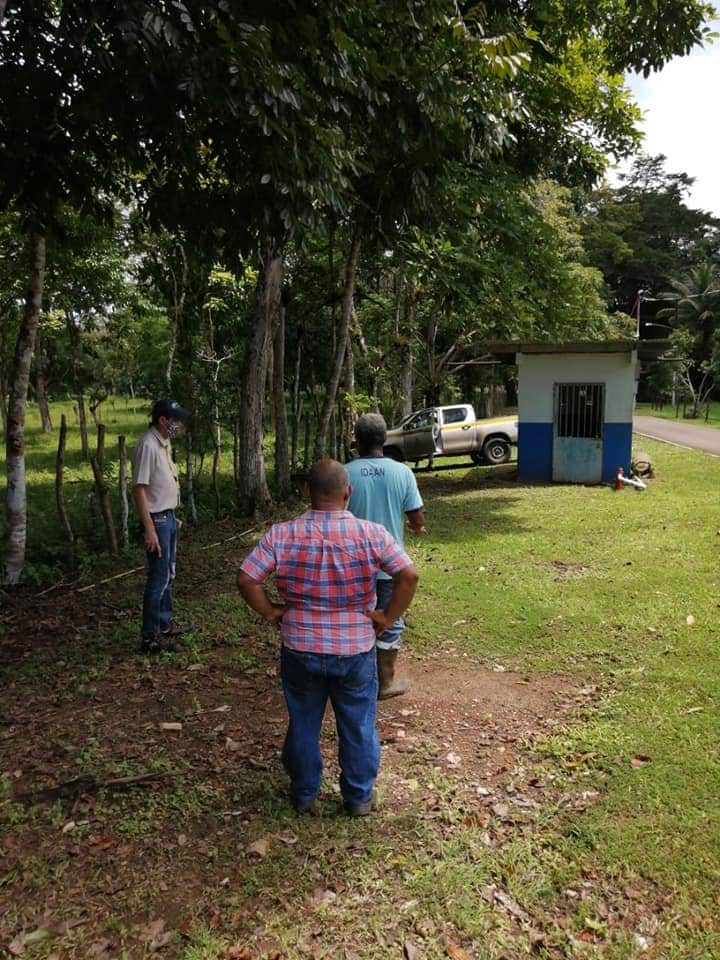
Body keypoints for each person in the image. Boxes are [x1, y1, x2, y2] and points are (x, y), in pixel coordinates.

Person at [237, 459, 419, 816]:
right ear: (348, 492)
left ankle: (304, 792)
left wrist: (270, 611)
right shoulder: (372, 533)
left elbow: (247, 579)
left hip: (300, 646)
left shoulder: (281, 534)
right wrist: (387, 617)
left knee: (303, 720)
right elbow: (408, 576)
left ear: (308, 491)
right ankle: (358, 797)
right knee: (358, 723)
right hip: (355, 649)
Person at [346, 413, 426, 699]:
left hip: (351, 567)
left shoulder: (344, 473)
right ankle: (385, 683)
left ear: (357, 440)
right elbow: (416, 515)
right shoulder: (402, 472)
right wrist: (417, 526)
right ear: (384, 439)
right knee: (389, 621)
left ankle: (351, 680)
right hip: (390, 567)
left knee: (354, 619)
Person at [131, 397, 191, 653]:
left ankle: (165, 624)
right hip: (156, 520)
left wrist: (170, 512)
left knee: (169, 573)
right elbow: (139, 489)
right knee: (158, 578)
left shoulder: (163, 443)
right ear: (162, 420)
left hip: (166, 517)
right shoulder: (147, 445)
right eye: (176, 420)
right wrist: (150, 528)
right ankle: (150, 637)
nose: (179, 425)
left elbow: (160, 484)